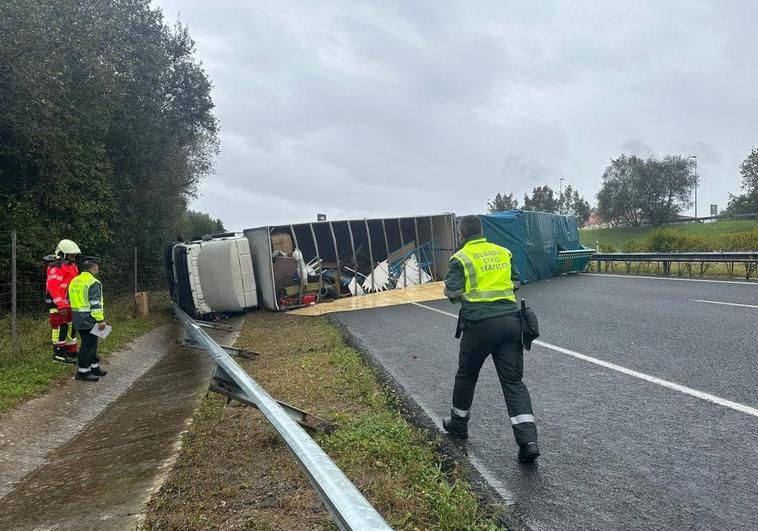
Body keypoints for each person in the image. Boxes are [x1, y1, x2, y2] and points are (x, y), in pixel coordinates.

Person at [442, 215, 540, 464]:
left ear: (461, 234)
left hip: (479, 326)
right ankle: (528, 442)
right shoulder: (503, 252)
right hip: (511, 322)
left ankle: (459, 425)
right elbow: (517, 281)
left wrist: (471, 295)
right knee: (513, 382)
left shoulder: (461, 258)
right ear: (482, 231)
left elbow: (452, 293)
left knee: (467, 375)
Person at [68, 256, 108, 382]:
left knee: (92, 342)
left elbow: (69, 298)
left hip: (77, 317)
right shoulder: (93, 282)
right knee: (88, 345)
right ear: (94, 267)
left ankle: (94, 367)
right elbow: (95, 303)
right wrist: (100, 320)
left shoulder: (75, 280)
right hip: (88, 317)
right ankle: (83, 372)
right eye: (97, 266)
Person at [46, 239, 81, 363]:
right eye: (71, 255)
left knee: (72, 326)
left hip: (69, 302)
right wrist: (61, 305)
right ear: (63, 254)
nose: (73, 258)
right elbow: (53, 288)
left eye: (74, 255)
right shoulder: (56, 268)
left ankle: (70, 351)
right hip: (57, 303)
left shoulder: (72, 267)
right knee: (60, 326)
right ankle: (58, 353)